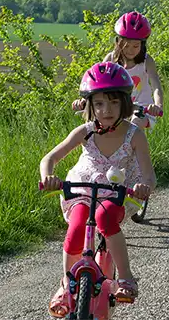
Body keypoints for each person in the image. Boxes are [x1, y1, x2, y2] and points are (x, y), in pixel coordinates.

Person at [41, 62, 156, 318]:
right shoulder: (86, 132)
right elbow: (49, 158)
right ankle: (66, 283)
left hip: (116, 190)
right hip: (82, 188)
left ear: (125, 103)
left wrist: (144, 186)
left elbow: (148, 173)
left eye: (114, 103)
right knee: (75, 228)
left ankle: (125, 278)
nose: (107, 110)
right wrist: (47, 176)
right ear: (90, 105)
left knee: (105, 218)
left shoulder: (135, 134)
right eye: (100, 103)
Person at [72, 11, 164, 130]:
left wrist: (158, 105)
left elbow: (156, 85)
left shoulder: (147, 61)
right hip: (118, 108)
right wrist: (84, 101)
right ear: (118, 42)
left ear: (143, 45)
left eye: (136, 46)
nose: (130, 50)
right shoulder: (110, 59)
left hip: (143, 108)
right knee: (94, 124)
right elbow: (98, 84)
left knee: (135, 123)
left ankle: (135, 147)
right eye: (126, 46)